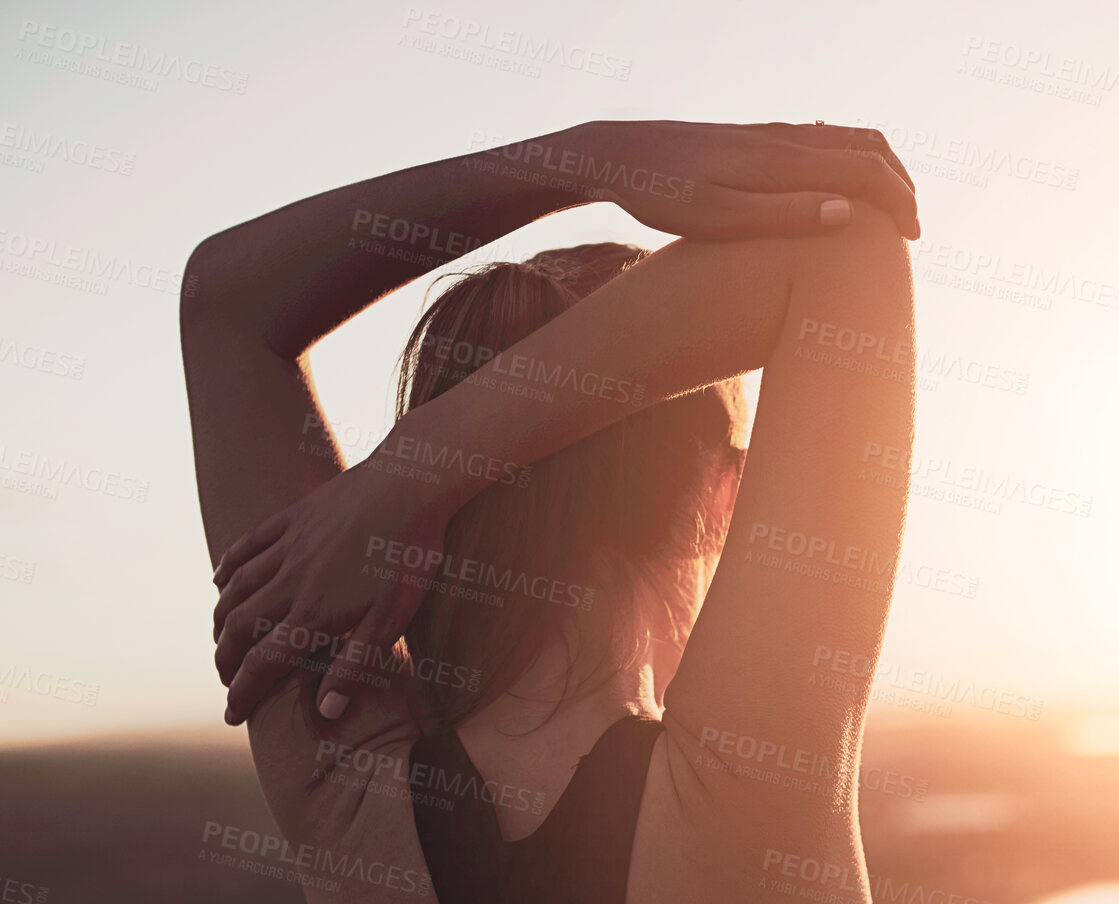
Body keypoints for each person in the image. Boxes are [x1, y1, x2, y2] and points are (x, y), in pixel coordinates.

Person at [182, 119, 922, 903]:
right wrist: (408, 475)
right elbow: (848, 246)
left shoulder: (343, 796)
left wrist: (595, 159)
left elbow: (224, 304)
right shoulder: (747, 795)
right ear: (722, 498)